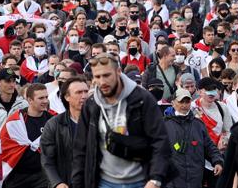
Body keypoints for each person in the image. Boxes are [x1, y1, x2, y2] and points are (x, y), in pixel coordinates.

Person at [71, 54, 172, 188]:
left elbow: (160, 140)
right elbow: (81, 148)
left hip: (141, 181)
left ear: (118, 72)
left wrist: (155, 179)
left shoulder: (142, 99)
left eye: (107, 75)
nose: (102, 82)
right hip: (103, 182)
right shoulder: (91, 104)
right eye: (97, 77)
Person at [164, 88, 223, 188]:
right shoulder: (164, 125)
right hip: (172, 181)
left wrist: (217, 161)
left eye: (187, 102)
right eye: (181, 101)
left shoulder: (199, 125)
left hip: (195, 180)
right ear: (173, 103)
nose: (184, 105)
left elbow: (209, 146)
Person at [0, 83, 52, 188]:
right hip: (17, 177)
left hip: (43, 176)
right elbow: (4, 146)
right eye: (41, 98)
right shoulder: (15, 121)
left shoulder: (53, 121)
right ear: (29, 100)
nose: (45, 101)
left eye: (46, 97)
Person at [41, 76, 89, 188]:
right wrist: (57, 183)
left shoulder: (98, 121)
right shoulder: (54, 125)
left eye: (86, 91)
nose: (84, 96)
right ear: (67, 97)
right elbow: (47, 161)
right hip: (66, 182)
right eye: (79, 92)